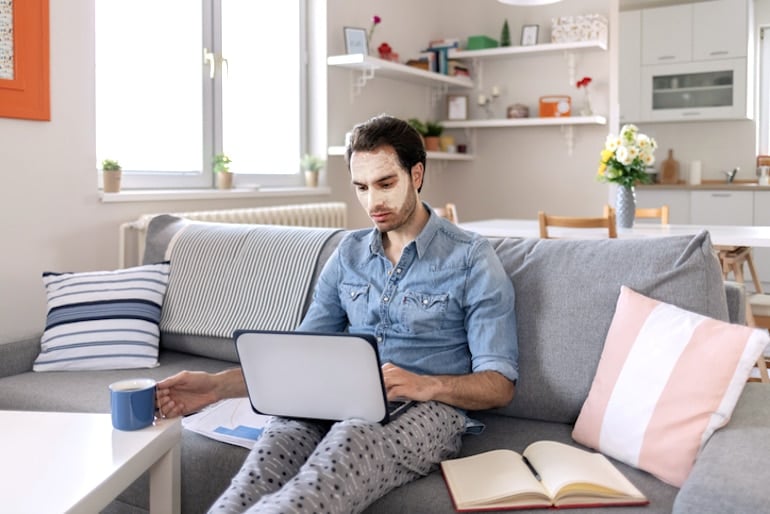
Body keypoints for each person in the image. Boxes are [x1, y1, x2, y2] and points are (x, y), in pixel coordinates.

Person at [156, 114, 519, 513]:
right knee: (264, 462)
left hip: (428, 411)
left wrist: (427, 385)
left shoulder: (470, 257)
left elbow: (499, 385)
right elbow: (300, 356)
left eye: (385, 184)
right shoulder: (348, 253)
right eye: (361, 187)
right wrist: (216, 386)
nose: (372, 202)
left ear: (416, 174)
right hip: (334, 397)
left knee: (343, 449)